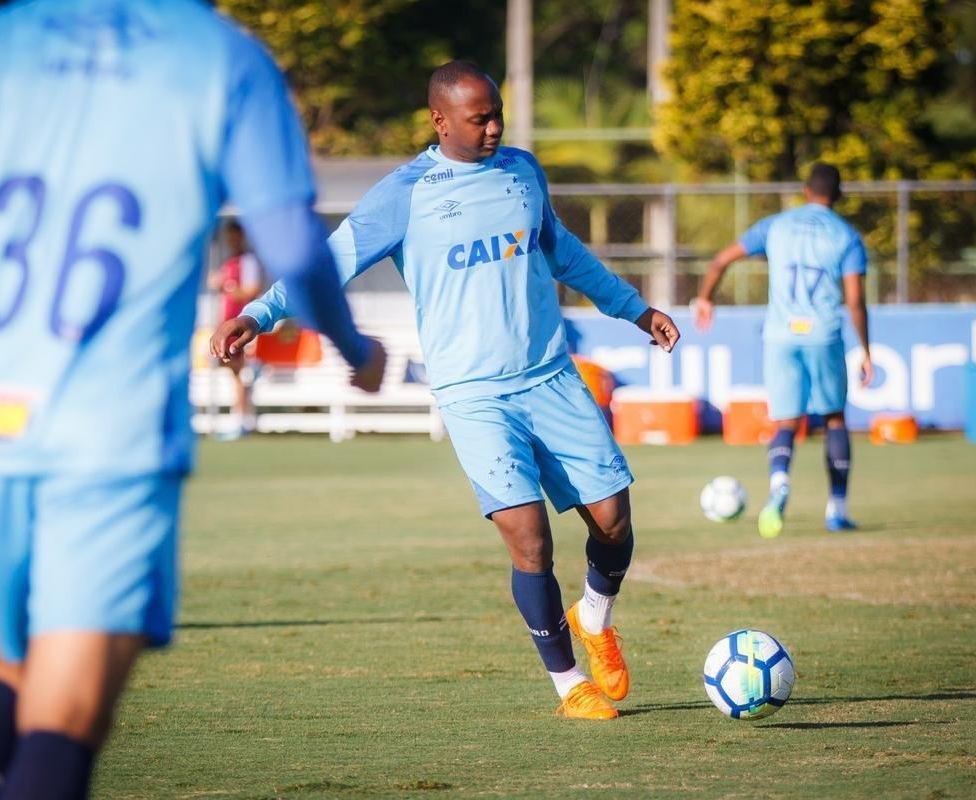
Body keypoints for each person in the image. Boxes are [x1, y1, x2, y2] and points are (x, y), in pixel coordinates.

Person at [0, 2, 384, 798]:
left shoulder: (3, 36)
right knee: (61, 722)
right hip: (106, 432)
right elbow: (290, 242)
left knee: (6, 675)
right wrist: (357, 351)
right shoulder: (227, 59)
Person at [212, 61, 681, 721]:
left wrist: (635, 309)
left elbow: (564, 253)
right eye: (477, 118)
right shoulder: (405, 193)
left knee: (613, 521)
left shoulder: (522, 171)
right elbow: (327, 263)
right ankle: (569, 685)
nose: (492, 128)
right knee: (530, 540)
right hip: (474, 396)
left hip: (550, 376)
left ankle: (595, 617)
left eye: (496, 115)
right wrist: (257, 314)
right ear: (439, 120)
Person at [693, 162, 873, 538]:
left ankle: (779, 486)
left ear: (806, 191)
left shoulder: (776, 225)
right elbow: (855, 300)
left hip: (780, 336)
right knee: (835, 418)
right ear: (838, 196)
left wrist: (705, 298)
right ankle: (837, 511)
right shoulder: (847, 236)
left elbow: (720, 260)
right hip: (823, 334)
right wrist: (866, 349)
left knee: (786, 421)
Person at [207, 220, 263, 437]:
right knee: (233, 371)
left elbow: (251, 290)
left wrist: (227, 287)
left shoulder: (248, 262)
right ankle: (240, 416)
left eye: (234, 236)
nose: (231, 241)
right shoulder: (229, 262)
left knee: (238, 370)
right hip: (226, 324)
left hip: (242, 325)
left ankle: (241, 420)